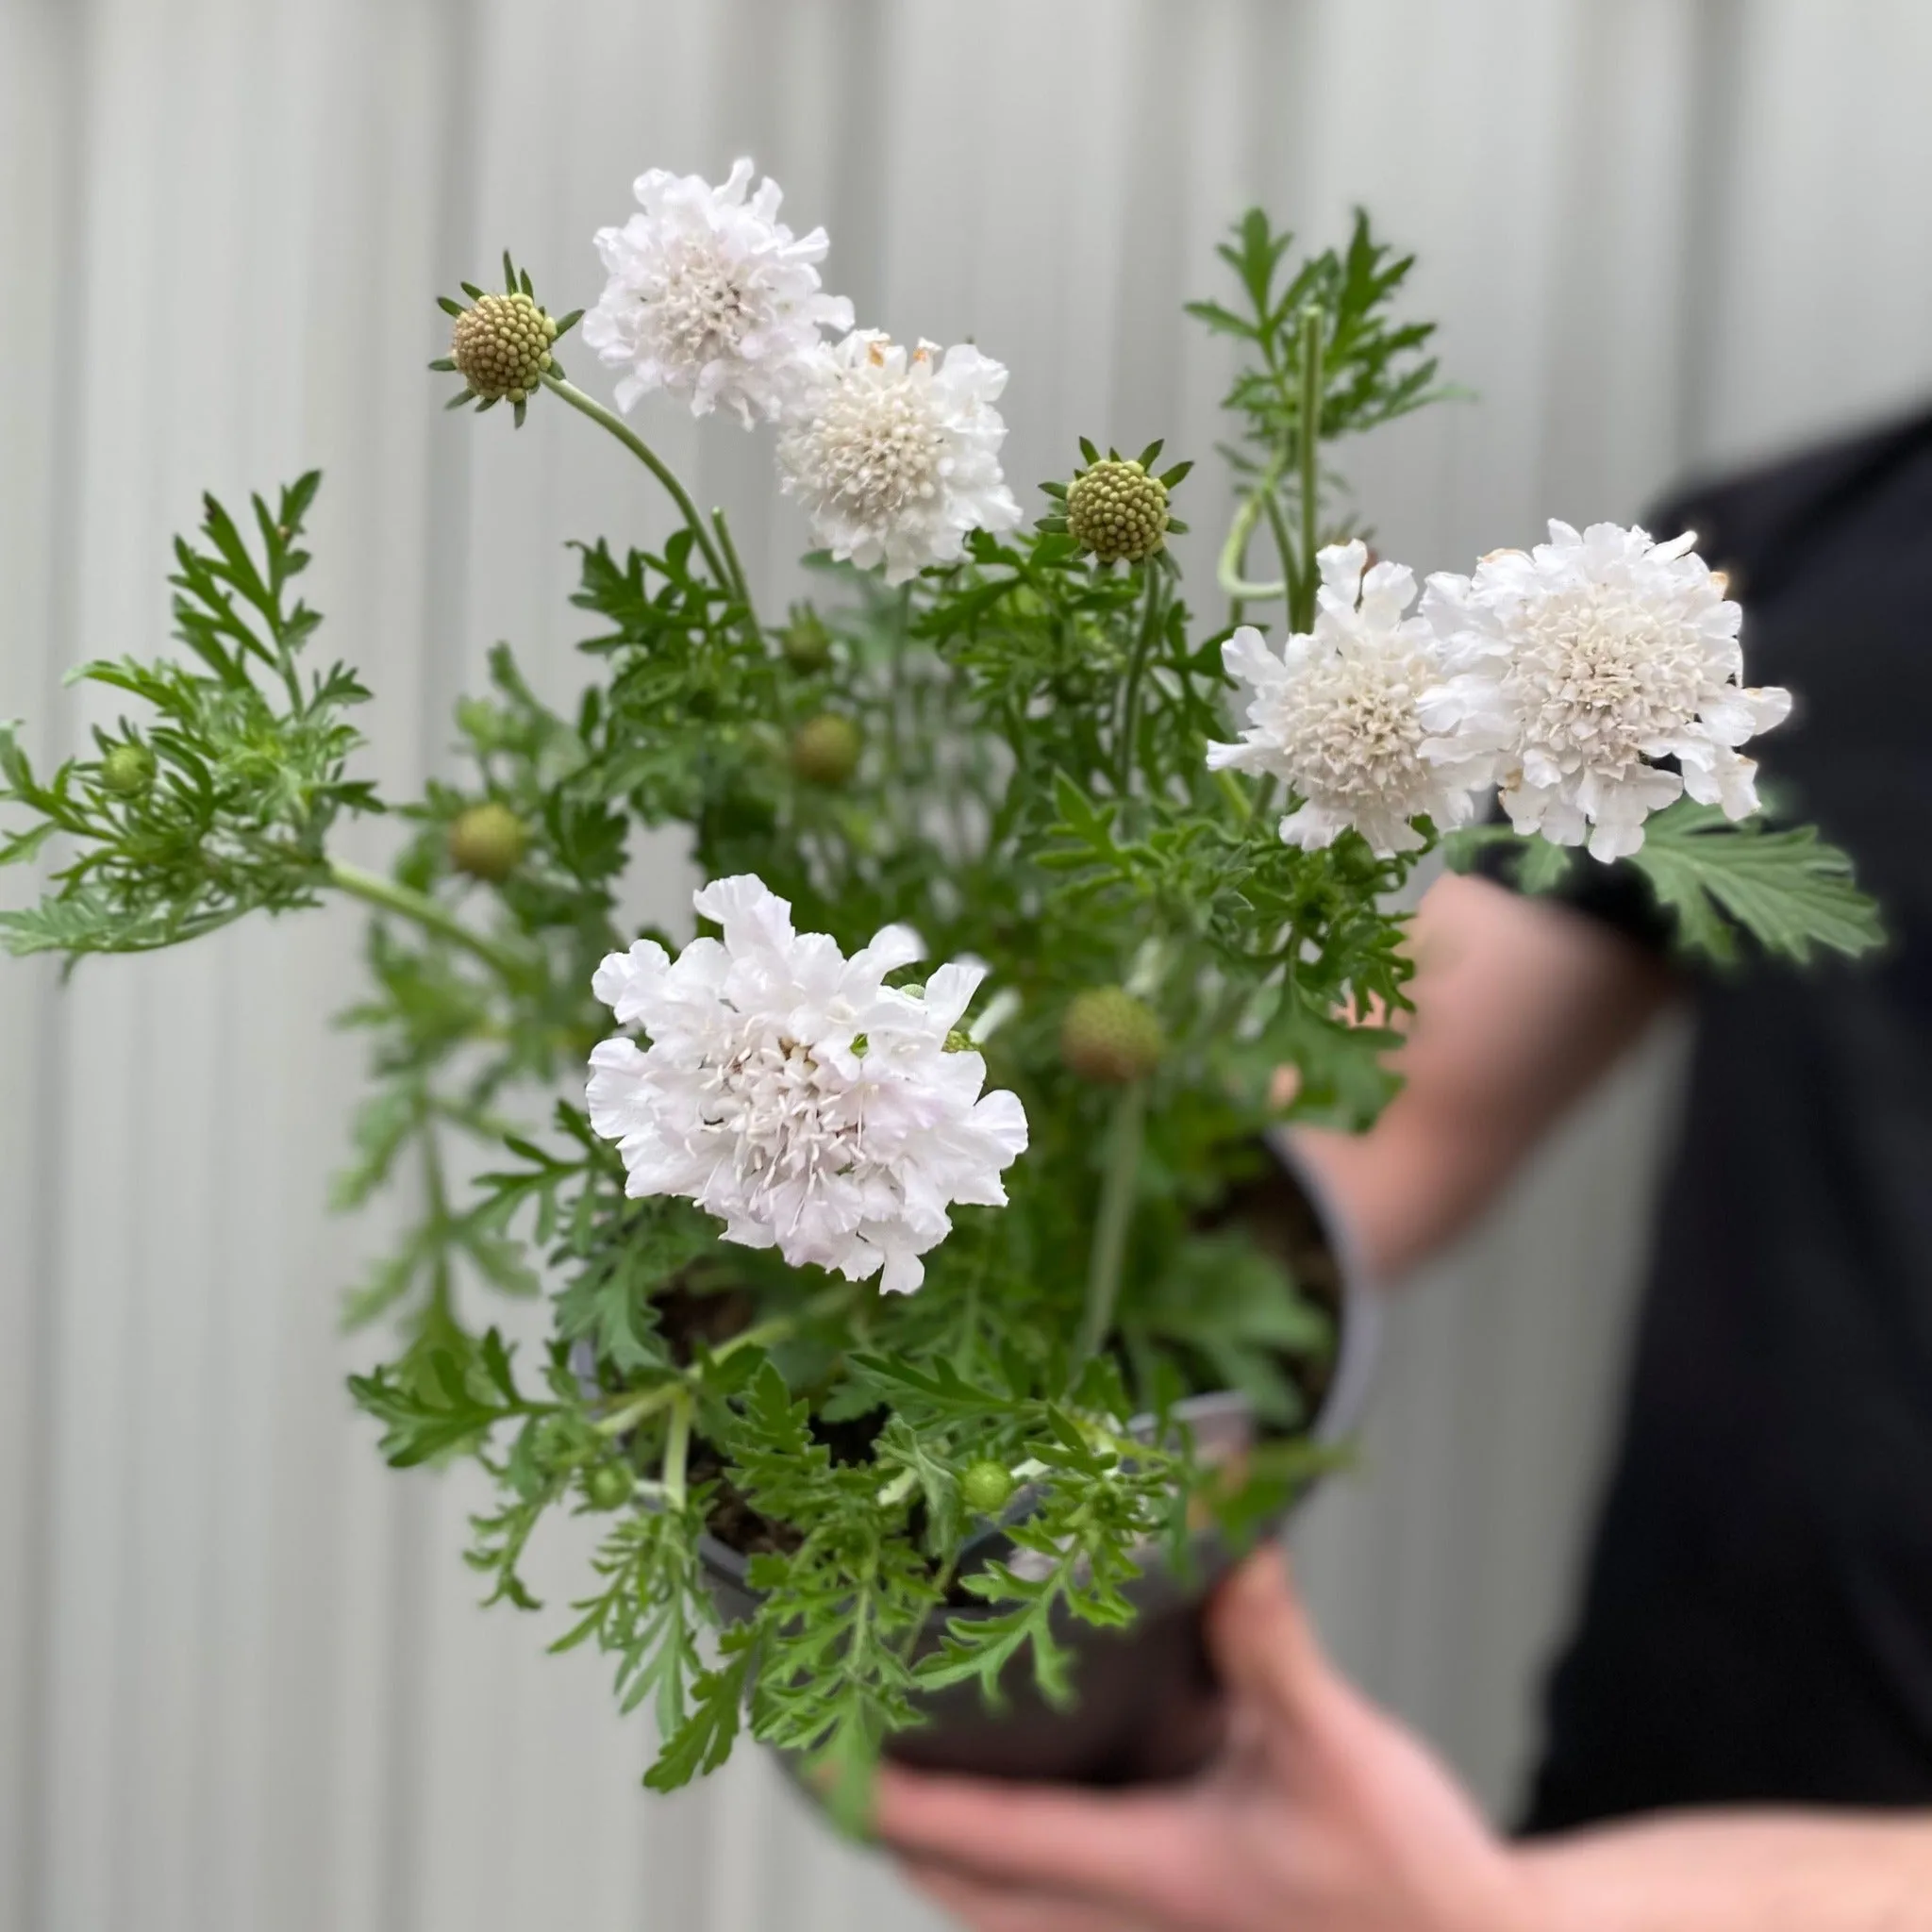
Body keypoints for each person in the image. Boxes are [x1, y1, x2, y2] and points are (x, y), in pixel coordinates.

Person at [873, 406, 1932, 1928]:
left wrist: (1500, 1922)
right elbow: (1389, 1100)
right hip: (1602, 1801)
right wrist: (903, 1217)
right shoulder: (1790, 554)